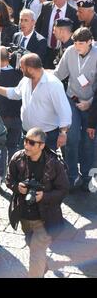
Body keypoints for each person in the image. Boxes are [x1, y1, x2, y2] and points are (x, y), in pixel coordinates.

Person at [6, 127, 69, 278]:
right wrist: (16, 187)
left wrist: (44, 197)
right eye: (25, 140)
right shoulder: (17, 158)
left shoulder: (54, 164)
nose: (26, 145)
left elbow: (63, 189)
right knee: (30, 242)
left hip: (45, 217)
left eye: (31, 143)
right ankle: (43, 263)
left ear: (41, 145)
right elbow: (9, 180)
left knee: (36, 254)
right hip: (24, 215)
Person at [0, 53, 72, 151]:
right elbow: (14, 93)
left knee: (45, 165)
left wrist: (63, 133)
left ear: (30, 69)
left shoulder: (53, 84)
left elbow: (64, 110)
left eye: (22, 67)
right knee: (25, 165)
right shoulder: (26, 80)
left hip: (46, 137)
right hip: (26, 134)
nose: (20, 69)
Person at [53, 27, 97, 191]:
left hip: (91, 104)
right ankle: (72, 175)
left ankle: (86, 176)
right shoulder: (70, 51)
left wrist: (90, 102)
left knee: (89, 141)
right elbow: (59, 74)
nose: (77, 47)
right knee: (71, 137)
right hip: (71, 99)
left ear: (90, 42)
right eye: (75, 43)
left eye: (81, 44)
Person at [0, 46, 22, 185]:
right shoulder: (19, 74)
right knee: (13, 146)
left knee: (1, 148)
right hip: (16, 116)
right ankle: (13, 175)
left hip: (0, 117)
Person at [35, 0, 79, 68]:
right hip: (45, 50)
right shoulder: (46, 7)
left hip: (62, 52)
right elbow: (38, 26)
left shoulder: (73, 13)